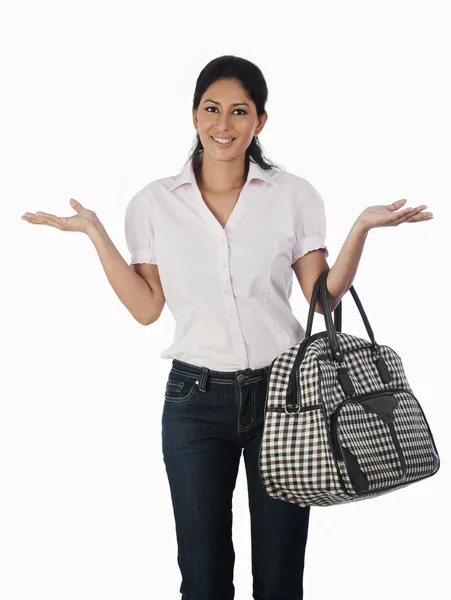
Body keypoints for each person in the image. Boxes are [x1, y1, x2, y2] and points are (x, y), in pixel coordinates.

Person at [21, 55, 433, 600]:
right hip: (195, 402)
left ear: (260, 121)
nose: (224, 123)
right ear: (193, 115)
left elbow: (323, 300)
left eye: (240, 112)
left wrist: (360, 229)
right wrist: (96, 233)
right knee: (203, 577)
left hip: (286, 398)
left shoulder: (292, 195)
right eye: (212, 109)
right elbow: (147, 308)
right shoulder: (152, 204)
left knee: (281, 577)